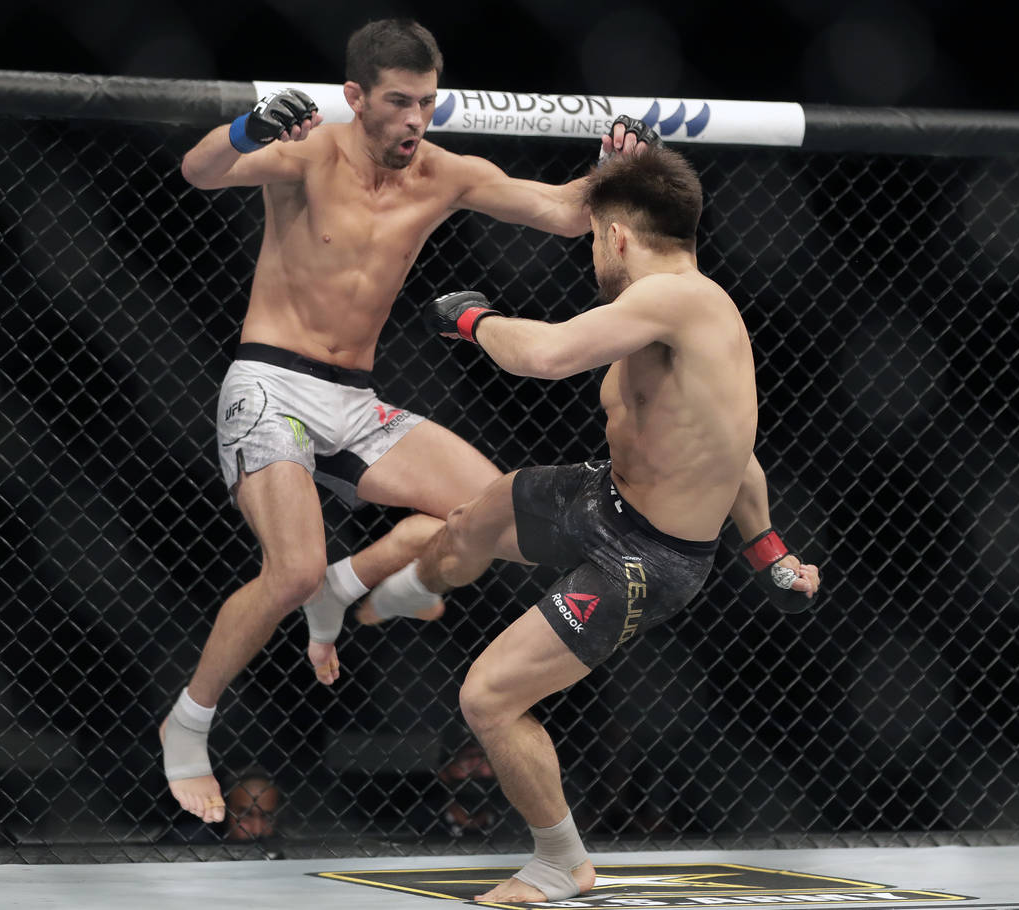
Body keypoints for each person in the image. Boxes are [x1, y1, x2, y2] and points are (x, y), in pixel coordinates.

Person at [159, 18, 658, 826]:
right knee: (287, 568)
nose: (414, 120)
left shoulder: (444, 172)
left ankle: (344, 591)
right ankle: (188, 724)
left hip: (355, 398)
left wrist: (610, 170)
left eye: (426, 102)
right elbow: (199, 169)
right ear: (357, 97)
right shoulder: (310, 151)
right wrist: (248, 128)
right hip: (272, 382)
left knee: (492, 509)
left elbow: (564, 214)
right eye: (397, 103)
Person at [363, 146, 821, 903]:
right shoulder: (676, 316)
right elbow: (734, 456)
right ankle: (419, 584)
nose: (590, 254)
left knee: (489, 699)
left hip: (646, 558)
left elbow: (544, 355)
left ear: (615, 238)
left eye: (593, 236)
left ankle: (558, 861)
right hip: (605, 495)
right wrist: (771, 552)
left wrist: (472, 320)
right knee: (483, 509)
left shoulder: (678, 299)